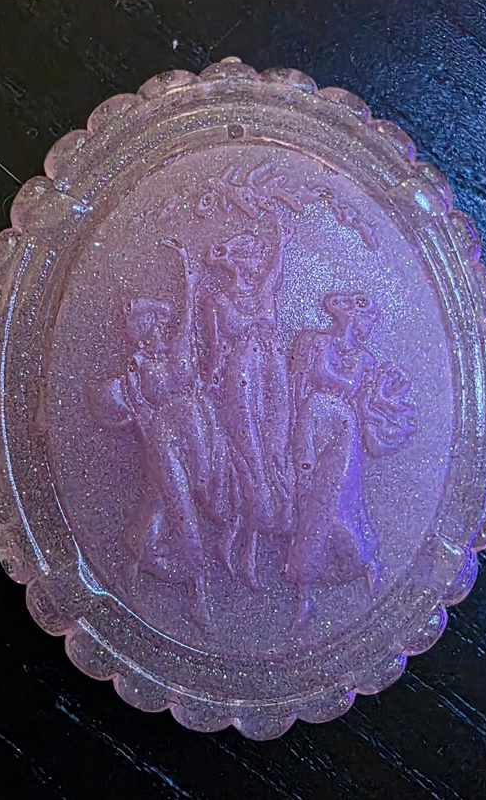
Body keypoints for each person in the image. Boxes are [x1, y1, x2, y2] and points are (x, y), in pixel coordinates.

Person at [86, 239, 212, 628]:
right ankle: (200, 594)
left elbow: (189, 323)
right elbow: (130, 410)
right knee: (183, 511)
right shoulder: (137, 368)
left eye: (155, 321)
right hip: (164, 444)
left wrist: (190, 281)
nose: (156, 326)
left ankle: (131, 566)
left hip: (196, 441)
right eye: (147, 323)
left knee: (159, 508)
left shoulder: (177, 348)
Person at [286, 291, 383, 626]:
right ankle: (304, 593)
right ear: (353, 317)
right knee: (306, 500)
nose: (370, 326)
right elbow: (298, 387)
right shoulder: (315, 342)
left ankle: (364, 560)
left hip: (343, 427)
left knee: (337, 502)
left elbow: (361, 402)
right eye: (369, 318)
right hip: (311, 418)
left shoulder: (365, 359)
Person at [204, 221, 292, 589]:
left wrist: (282, 241)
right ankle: (241, 548)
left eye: (261, 258)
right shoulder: (218, 301)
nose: (260, 263)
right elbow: (214, 351)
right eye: (254, 257)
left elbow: (276, 271)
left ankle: (255, 546)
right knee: (250, 459)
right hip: (238, 380)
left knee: (273, 455)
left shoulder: (266, 291)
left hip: (273, 375)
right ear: (240, 262)